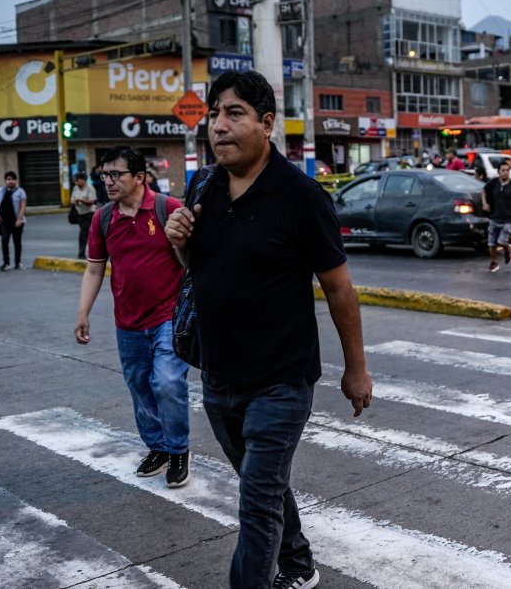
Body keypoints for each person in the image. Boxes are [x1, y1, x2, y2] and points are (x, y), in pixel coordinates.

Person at [164, 70, 372, 588]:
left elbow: (339, 288)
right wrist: (178, 241)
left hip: (280, 381)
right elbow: (200, 269)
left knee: (256, 504)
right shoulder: (204, 184)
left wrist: (356, 370)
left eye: (234, 114)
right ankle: (299, 566)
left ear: (267, 123)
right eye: (214, 114)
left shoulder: (300, 196)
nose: (219, 126)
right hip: (219, 376)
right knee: (265, 487)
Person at [76, 146, 192, 489]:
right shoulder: (103, 219)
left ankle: (179, 450)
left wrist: (180, 243)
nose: (108, 181)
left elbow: (192, 264)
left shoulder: (167, 209)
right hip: (127, 323)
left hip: (167, 317)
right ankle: (158, 447)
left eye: (116, 174)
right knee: (140, 388)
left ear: (139, 176)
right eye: (104, 175)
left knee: (168, 382)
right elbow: (95, 270)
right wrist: (83, 313)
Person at [481, 161, 511, 272]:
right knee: (491, 243)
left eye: (508, 170)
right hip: (494, 217)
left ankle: (508, 248)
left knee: (502, 241)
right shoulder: (493, 183)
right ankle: (494, 263)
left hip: (508, 220)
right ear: (499, 172)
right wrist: (484, 203)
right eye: (503, 170)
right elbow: (484, 191)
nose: (506, 173)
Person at [0, 170, 27, 271]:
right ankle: (6, 263)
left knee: (17, 242)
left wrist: (19, 219)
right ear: (5, 180)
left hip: (17, 221)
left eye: (12, 179)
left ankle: (18, 262)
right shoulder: (1, 190)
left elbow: (23, 205)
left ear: (16, 180)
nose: (10, 181)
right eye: (8, 179)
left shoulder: (20, 191)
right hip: (4, 221)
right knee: (4, 240)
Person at [70, 173, 98, 259]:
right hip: (80, 214)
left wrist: (81, 200)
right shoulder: (75, 188)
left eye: (77, 181)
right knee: (85, 235)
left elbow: (92, 202)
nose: (76, 183)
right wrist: (75, 201)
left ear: (82, 180)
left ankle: (82, 254)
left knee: (83, 235)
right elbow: (72, 199)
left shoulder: (90, 188)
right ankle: (84, 254)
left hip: (88, 214)